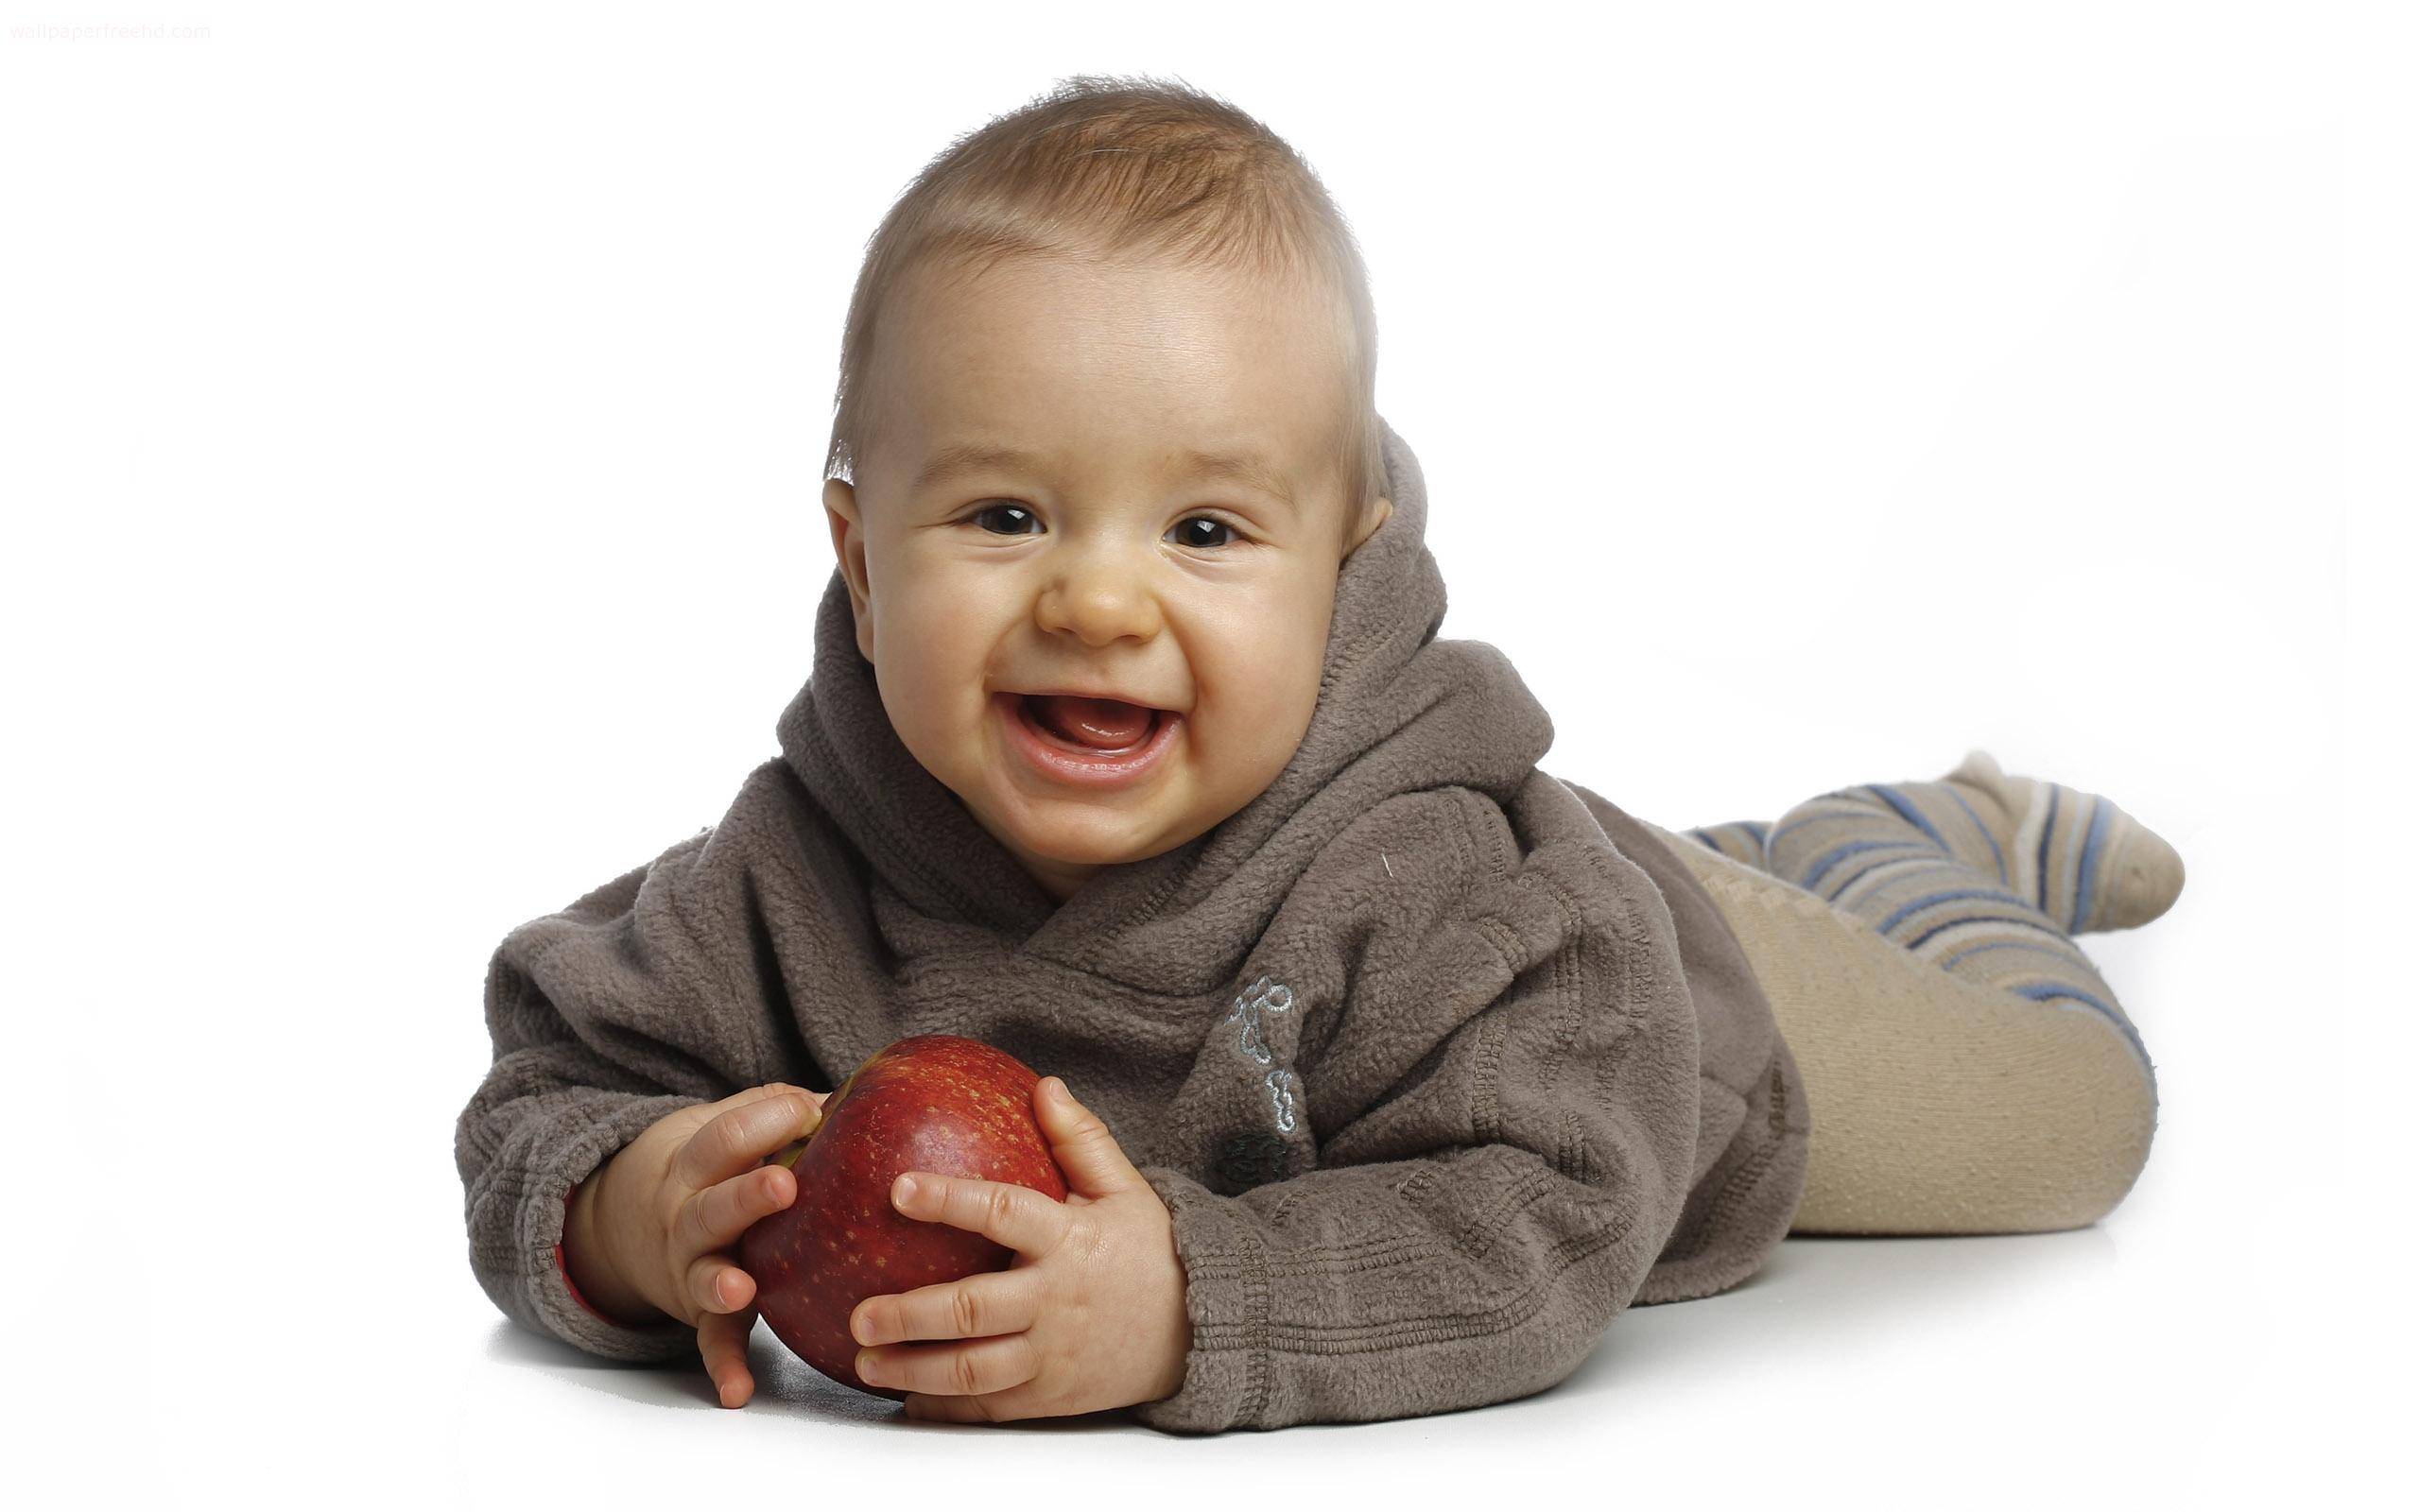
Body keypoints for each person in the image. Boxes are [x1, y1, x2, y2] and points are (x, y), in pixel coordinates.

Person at [455, 75, 2184, 1434]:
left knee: (2068, 1132)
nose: (1099, 599)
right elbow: (546, 1082)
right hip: (1569, 907)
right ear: (857, 554)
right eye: (1003, 513)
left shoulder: (1440, 887)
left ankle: (1912, 852)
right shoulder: (791, 873)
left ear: (1340, 559)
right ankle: (1804, 839)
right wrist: (619, 1214)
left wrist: (1195, 1307)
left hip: (1684, 1007)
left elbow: (1555, 1214)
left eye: (1205, 530)